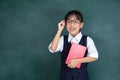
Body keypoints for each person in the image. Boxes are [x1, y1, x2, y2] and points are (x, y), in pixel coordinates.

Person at [48, 10, 98, 80]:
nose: (72, 25)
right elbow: (53, 49)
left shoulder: (87, 40)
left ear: (81, 25)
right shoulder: (63, 39)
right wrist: (59, 30)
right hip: (65, 77)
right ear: (65, 24)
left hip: (82, 77)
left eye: (75, 21)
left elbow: (94, 56)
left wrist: (78, 60)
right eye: (69, 21)